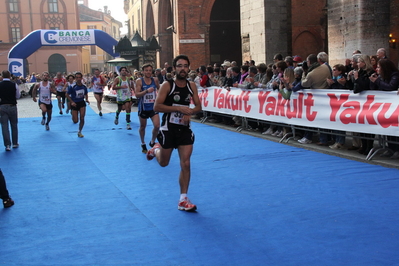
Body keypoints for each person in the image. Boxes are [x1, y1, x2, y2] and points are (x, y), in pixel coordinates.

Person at [146, 54, 202, 212]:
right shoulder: (167, 85)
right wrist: (178, 108)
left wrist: (190, 112)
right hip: (168, 129)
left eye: (185, 66)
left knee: (186, 163)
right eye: (179, 66)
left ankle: (183, 199)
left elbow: (198, 106)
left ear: (188, 68)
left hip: (184, 129)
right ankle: (155, 149)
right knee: (164, 163)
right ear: (174, 68)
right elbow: (157, 107)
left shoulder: (192, 85)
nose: (183, 69)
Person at [370, 59, 399, 159]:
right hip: (386, 107)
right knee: (387, 127)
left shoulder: (395, 75)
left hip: (394, 106)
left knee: (394, 127)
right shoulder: (382, 77)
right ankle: (390, 148)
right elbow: (375, 89)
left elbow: (391, 87)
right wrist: (374, 81)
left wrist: (377, 81)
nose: (377, 69)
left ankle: (397, 149)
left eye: (379, 67)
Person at [135, 64, 160, 153]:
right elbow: (137, 95)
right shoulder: (139, 81)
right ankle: (143, 143)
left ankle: (152, 141)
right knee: (143, 127)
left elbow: (160, 90)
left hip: (153, 108)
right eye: (146, 70)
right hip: (143, 108)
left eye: (150, 70)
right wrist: (146, 91)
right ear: (143, 72)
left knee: (157, 126)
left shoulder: (155, 80)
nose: (148, 72)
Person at [0, 70, 20, 151]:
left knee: (4, 126)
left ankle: (7, 145)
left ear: (2, 76)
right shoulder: (14, 84)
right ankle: (15, 143)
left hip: (3, 106)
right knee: (14, 125)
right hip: (12, 106)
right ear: (9, 76)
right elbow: (18, 96)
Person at [66, 72, 89, 138]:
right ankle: (74, 116)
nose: (78, 79)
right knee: (75, 121)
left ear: (81, 78)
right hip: (74, 103)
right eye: (77, 77)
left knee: (82, 118)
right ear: (75, 78)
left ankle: (79, 131)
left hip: (81, 102)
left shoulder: (84, 86)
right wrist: (71, 102)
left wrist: (87, 99)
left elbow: (86, 93)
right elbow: (67, 94)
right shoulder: (72, 86)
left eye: (80, 77)